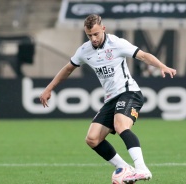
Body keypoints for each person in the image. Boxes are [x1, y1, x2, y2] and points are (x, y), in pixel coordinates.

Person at [39, 14, 176, 183]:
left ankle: (142, 168)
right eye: (89, 35)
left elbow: (143, 55)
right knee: (92, 138)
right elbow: (68, 69)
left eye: (96, 34)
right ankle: (126, 168)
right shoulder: (84, 50)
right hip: (111, 99)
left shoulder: (117, 44)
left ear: (103, 29)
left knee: (120, 125)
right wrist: (49, 88)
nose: (93, 38)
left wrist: (162, 66)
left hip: (129, 92)